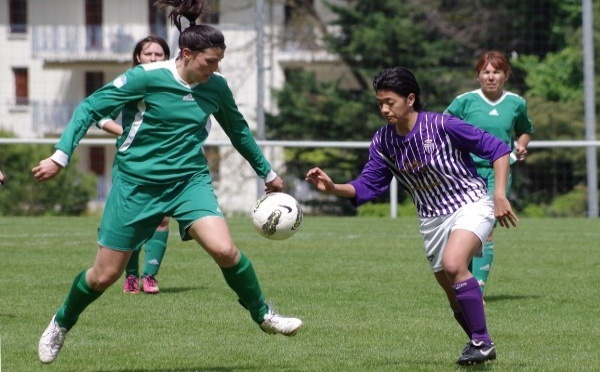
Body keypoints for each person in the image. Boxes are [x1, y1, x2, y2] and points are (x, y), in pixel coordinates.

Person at [33, 0, 302, 364]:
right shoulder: (147, 78)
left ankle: (263, 315)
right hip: (136, 184)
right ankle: (61, 322)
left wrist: (267, 173)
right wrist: (60, 155)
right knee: (103, 276)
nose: (215, 69)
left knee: (225, 250)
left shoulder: (216, 86)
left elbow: (238, 131)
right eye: (210, 61)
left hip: (188, 180)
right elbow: (90, 107)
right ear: (187, 54)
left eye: (219, 62)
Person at [306, 67, 518, 365]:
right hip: (431, 219)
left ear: (410, 99)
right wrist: (331, 187)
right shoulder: (383, 141)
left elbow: (497, 149)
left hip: (470, 203)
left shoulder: (443, 125)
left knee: (455, 264)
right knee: (452, 293)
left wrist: (498, 195)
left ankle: (482, 343)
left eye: (389, 102)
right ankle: (479, 343)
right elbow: (367, 186)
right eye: (379, 102)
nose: (383, 109)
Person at [445, 50, 533, 299]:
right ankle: (465, 280)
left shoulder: (516, 103)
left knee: (486, 228)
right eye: (486, 71)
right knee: (465, 228)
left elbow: (525, 130)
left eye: (496, 71)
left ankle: (477, 287)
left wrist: (521, 144)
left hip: (498, 172)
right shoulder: (464, 101)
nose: (491, 76)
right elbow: (443, 127)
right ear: (478, 76)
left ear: (506, 75)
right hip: (466, 173)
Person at [97, 35, 172, 295]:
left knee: (162, 219)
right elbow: (100, 114)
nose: (153, 58)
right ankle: (130, 277)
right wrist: (122, 131)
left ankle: (150, 276)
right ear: (138, 57)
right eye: (148, 54)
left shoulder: (172, 83)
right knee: (130, 219)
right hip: (129, 162)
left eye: (158, 54)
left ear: (167, 57)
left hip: (162, 163)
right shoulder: (131, 82)